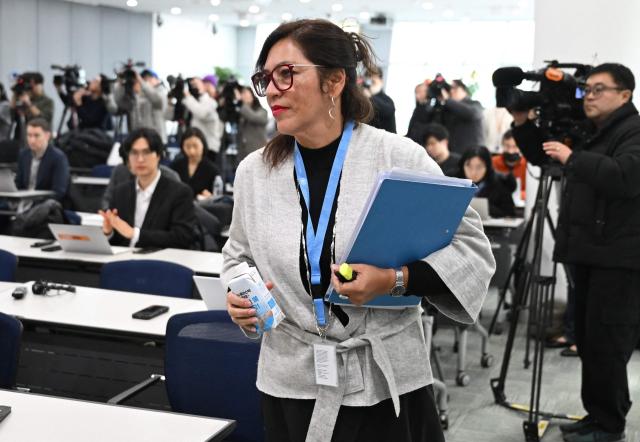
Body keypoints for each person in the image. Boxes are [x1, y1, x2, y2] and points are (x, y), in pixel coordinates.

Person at [222, 19, 495, 442]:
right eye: (265, 78)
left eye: (286, 74)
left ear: (334, 81)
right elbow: (237, 254)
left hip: (383, 380)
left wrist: (396, 280)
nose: (272, 89)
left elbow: (471, 250)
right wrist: (242, 298)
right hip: (291, 376)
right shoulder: (255, 172)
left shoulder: (398, 157)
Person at [513, 63, 640, 442]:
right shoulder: (595, 132)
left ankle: (610, 424)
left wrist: (574, 158)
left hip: (618, 259)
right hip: (589, 254)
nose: (591, 95)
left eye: (600, 89)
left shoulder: (633, 131)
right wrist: (522, 123)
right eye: (588, 89)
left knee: (607, 345)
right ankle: (596, 415)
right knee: (588, 341)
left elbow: (625, 177)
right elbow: (544, 157)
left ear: (625, 94)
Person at [100, 127, 195, 249]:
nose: (140, 159)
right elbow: (119, 240)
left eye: (146, 152)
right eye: (134, 153)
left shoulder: (180, 192)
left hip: (161, 262)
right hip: (125, 260)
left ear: (158, 155)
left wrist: (135, 234)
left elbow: (182, 237)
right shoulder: (120, 192)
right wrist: (109, 232)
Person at [15, 118, 69, 202]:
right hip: (22, 202)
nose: (32, 140)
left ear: (47, 136)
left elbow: (59, 191)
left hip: (44, 205)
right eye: (29, 135)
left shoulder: (58, 157)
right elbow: (18, 183)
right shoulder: (24, 155)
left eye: (36, 136)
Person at [459, 146, 516, 218]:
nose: (473, 172)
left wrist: (488, 208)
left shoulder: (501, 184)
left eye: (479, 167)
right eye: (469, 166)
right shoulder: (454, 182)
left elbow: (510, 213)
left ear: (487, 166)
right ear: (462, 165)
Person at [113, 69, 168, 143]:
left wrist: (141, 82)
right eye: (144, 78)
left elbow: (157, 100)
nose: (146, 81)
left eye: (149, 78)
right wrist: (120, 83)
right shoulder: (135, 97)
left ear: (157, 80)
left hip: (156, 141)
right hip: (138, 140)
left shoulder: (161, 92)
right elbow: (119, 101)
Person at [170, 126, 221, 198]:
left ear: (203, 145)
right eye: (187, 146)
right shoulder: (175, 167)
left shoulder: (213, 170)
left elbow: (219, 197)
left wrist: (211, 197)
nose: (191, 151)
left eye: (195, 146)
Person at [183, 76, 223, 159]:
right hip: (192, 145)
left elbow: (201, 112)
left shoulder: (211, 102)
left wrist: (188, 96)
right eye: (192, 84)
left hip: (208, 147)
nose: (194, 86)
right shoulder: (193, 101)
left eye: (196, 84)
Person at [235, 86, 268, 164]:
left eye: (246, 93)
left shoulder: (263, 111)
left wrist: (242, 104)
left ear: (252, 95)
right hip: (243, 155)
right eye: (242, 93)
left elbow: (253, 117)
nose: (243, 96)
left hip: (258, 153)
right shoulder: (241, 113)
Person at [492, 129, 527, 201]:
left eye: (515, 146)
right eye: (507, 146)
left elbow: (529, 192)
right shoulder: (493, 162)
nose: (511, 151)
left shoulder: (527, 166)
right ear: (502, 144)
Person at [363, 66, 396, 133]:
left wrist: (370, 97)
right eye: (369, 77)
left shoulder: (387, 100)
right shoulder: (363, 97)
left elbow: (388, 111)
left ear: (381, 81)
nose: (370, 80)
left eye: (374, 78)